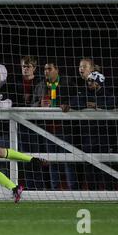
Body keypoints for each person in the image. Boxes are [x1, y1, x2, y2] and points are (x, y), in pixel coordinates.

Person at [32, 61, 79, 190]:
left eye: (49, 69)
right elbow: (32, 104)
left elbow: (77, 99)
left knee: (68, 162)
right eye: (45, 69)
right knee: (51, 162)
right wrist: (39, 105)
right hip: (47, 130)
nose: (46, 71)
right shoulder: (40, 86)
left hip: (65, 129)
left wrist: (69, 104)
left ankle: (73, 190)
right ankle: (55, 190)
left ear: (57, 69)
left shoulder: (68, 83)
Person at [13, 56, 46, 190]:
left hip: (36, 125)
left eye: (28, 66)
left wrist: (35, 104)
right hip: (20, 125)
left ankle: (40, 188)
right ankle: (29, 188)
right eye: (23, 66)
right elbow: (13, 103)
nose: (25, 69)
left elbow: (42, 102)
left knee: (38, 158)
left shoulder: (40, 82)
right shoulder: (16, 83)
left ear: (34, 68)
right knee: (25, 159)